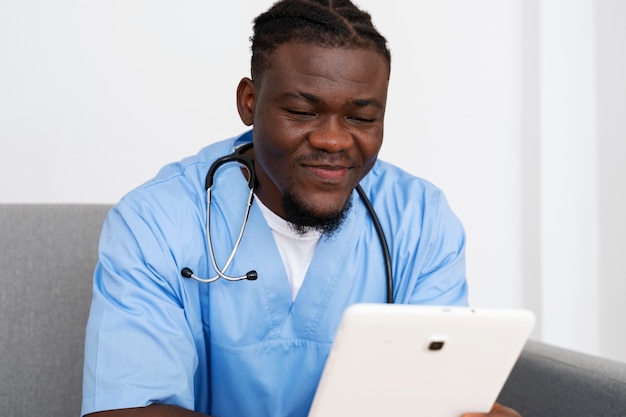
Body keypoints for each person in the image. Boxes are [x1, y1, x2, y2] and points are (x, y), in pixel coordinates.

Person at [81, 1, 521, 416]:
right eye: (301, 112)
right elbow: (127, 409)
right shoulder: (155, 221)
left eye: (362, 118)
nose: (333, 140)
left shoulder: (420, 220)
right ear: (249, 103)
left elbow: (436, 397)